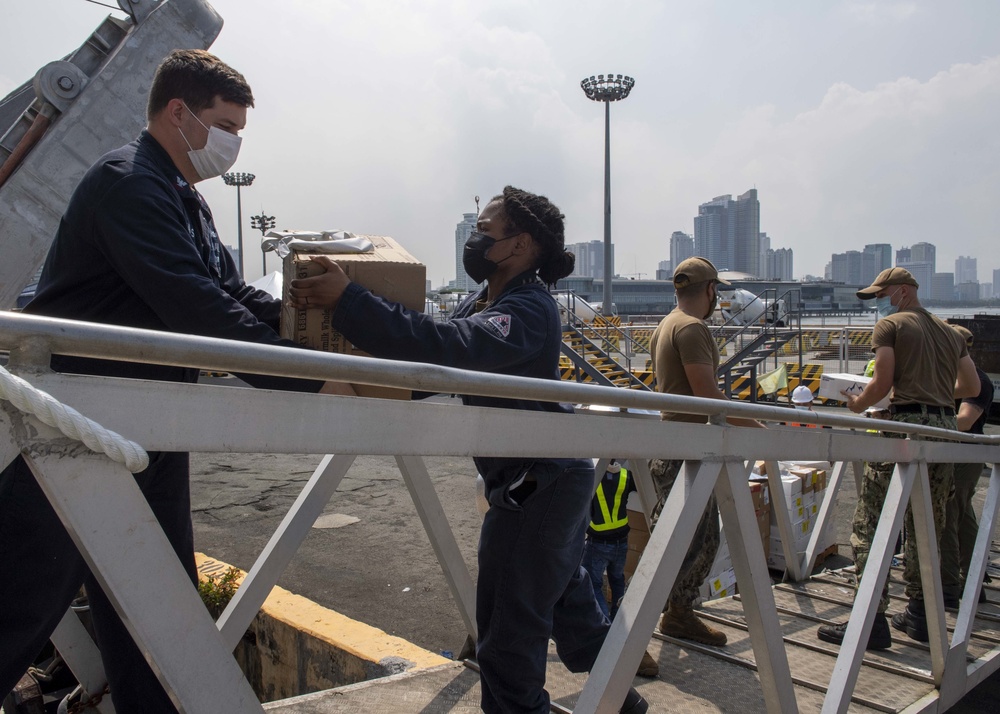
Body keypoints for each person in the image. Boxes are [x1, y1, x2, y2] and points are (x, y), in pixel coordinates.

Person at [0, 50, 329, 711]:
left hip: (144, 423)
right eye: (226, 124)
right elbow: (196, 308)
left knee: (157, 603)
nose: (233, 143)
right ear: (178, 113)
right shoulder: (128, 184)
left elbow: (234, 294)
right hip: (76, 425)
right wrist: (313, 383)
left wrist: (321, 330)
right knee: (24, 596)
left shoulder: (186, 202)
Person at [289, 186, 648, 713]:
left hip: (540, 488)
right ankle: (629, 709)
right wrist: (337, 374)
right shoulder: (484, 301)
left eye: (485, 229)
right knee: (574, 619)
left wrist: (350, 302)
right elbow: (422, 374)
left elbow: (448, 348)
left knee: (506, 641)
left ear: (519, 245)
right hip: (540, 483)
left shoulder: (528, 308)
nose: (474, 239)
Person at [816, 267, 979, 649]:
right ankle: (921, 615)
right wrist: (935, 390)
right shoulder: (951, 332)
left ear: (904, 291)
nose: (882, 302)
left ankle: (870, 619)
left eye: (886, 294)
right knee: (927, 521)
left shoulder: (891, 327)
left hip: (904, 424)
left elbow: (882, 381)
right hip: (943, 428)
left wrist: (858, 405)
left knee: (871, 523)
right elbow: (970, 386)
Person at [647, 257, 764, 647]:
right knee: (695, 542)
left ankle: (673, 614)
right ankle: (663, 619)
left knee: (681, 539)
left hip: (672, 443)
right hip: (689, 449)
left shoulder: (666, 324)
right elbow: (708, 396)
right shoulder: (694, 328)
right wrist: (759, 429)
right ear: (711, 290)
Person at [581, 462, 659, 677]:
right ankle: (618, 625)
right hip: (621, 541)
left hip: (597, 542)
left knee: (594, 584)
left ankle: (605, 630)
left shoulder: (593, 476)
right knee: (617, 583)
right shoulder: (626, 476)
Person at [940, 324, 995, 608]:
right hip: (956, 454)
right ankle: (974, 580)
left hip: (963, 455)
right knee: (963, 517)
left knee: (949, 515)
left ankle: (948, 585)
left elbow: (964, 421)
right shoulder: (951, 377)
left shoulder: (978, 381)